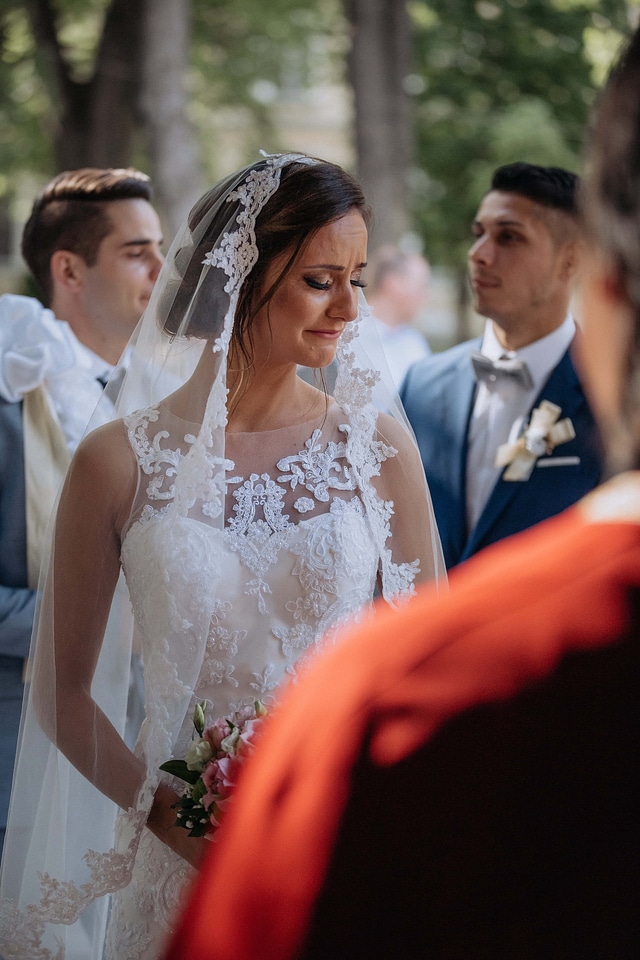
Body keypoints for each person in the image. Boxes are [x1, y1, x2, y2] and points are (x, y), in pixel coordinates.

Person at [161, 28, 640, 960]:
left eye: (353, 281)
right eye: (320, 280)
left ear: (602, 291)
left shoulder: (395, 702)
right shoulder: (421, 391)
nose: (479, 254)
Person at [0, 153, 445, 960]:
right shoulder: (113, 462)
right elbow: (64, 695)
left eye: (357, 276)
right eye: (319, 280)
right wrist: (182, 826)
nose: (350, 305)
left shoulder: (375, 448)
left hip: (345, 851)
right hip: (179, 872)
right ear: (236, 277)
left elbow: (428, 670)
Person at [0, 167, 163, 856]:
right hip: (17, 767)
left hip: (150, 761)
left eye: (161, 247)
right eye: (137, 252)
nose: (162, 267)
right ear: (69, 269)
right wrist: (97, 624)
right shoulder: (9, 396)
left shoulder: (172, 398)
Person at [401, 162, 603, 568]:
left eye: (508, 237)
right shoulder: (421, 385)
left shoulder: (611, 399)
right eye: (479, 234)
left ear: (570, 261)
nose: (479, 255)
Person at [357, 244, 431, 392]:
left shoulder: (415, 342)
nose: (424, 297)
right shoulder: (350, 336)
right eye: (421, 286)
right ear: (393, 284)